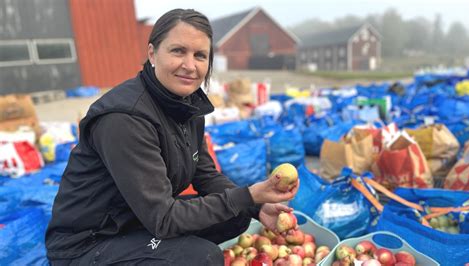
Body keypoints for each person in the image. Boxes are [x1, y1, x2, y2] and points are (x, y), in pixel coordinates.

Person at [45, 8, 298, 266]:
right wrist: (250, 194)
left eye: (200, 55)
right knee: (203, 258)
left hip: (136, 219)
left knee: (236, 214)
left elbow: (206, 175)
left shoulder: (186, 107)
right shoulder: (125, 118)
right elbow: (164, 219)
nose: (190, 66)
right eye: (178, 51)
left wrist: (256, 206)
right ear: (153, 53)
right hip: (89, 243)